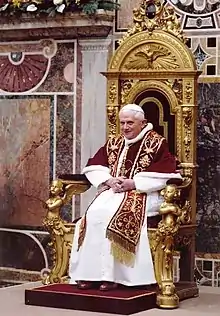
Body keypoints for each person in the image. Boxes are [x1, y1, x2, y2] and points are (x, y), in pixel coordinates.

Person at [69, 104, 181, 291]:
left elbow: (166, 172)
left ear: (143, 122)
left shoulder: (156, 142)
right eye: (122, 123)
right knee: (95, 213)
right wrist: (109, 180)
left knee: (112, 214)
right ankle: (90, 274)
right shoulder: (114, 142)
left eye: (130, 123)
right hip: (114, 191)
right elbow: (96, 164)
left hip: (144, 194)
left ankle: (115, 276)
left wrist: (134, 183)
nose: (125, 127)